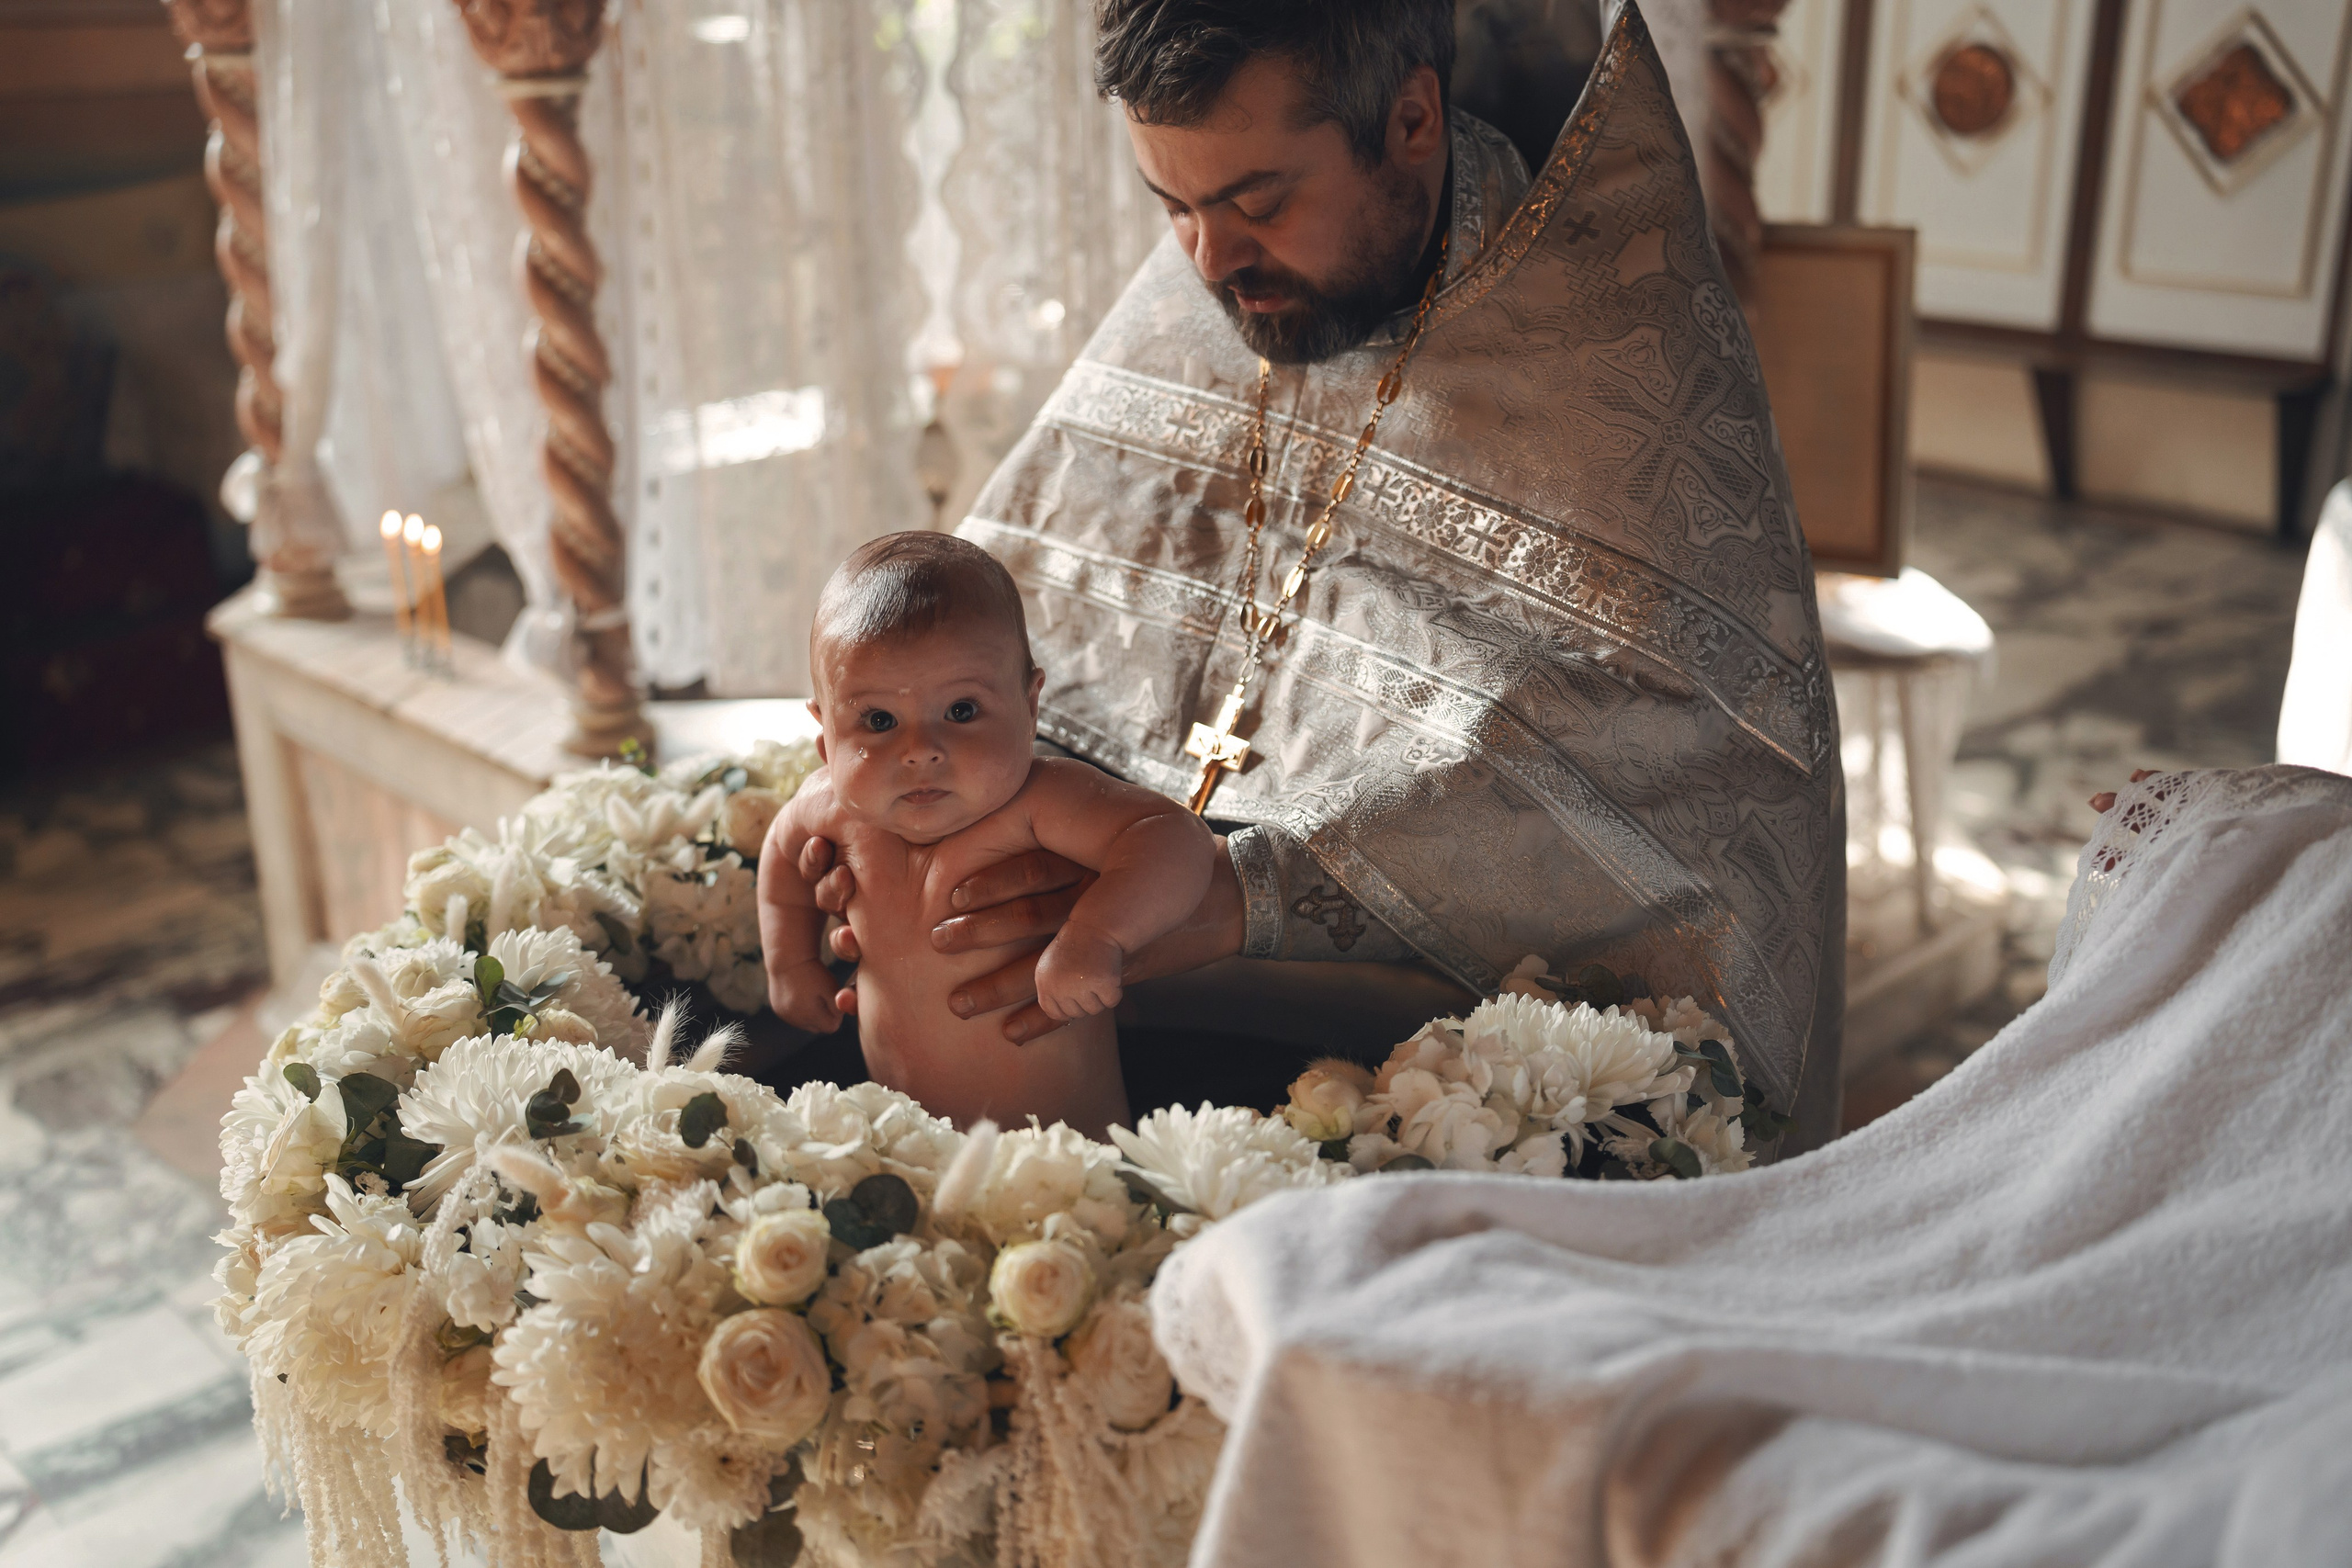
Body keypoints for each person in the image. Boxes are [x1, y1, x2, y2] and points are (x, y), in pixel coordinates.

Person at [799, 0, 1848, 1152]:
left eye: (1258, 202)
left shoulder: (1616, 371)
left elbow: (1676, 800)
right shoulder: (1228, 277)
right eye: (1173, 207)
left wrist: (1242, 892)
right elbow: (1016, 614)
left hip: (1440, 1092)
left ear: (1409, 119)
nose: (1209, 261)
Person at [758, 533, 1217, 1138]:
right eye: (878, 720)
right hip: (908, 1145)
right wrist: (790, 964)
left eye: (962, 711)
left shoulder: (1040, 801)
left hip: (1067, 1155)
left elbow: (1172, 836)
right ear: (826, 737)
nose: (920, 750)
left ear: (1030, 707)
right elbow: (780, 856)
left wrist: (1098, 934)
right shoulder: (830, 807)